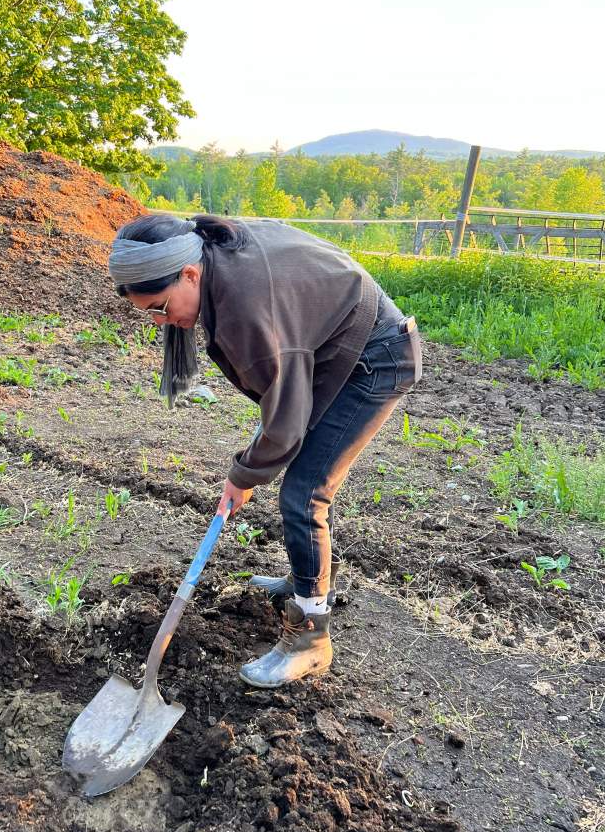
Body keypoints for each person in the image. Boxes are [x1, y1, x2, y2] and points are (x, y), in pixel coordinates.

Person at [108, 213, 422, 688]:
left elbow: (285, 421)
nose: (160, 321)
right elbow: (284, 405)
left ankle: (310, 638)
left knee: (304, 492)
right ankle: (309, 580)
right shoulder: (213, 257)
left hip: (375, 359)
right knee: (304, 477)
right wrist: (252, 466)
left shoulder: (245, 311)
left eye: (160, 306)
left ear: (189, 274)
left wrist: (244, 473)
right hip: (337, 345)